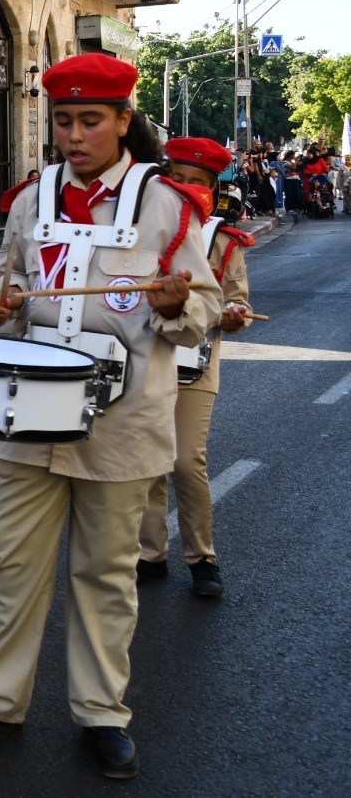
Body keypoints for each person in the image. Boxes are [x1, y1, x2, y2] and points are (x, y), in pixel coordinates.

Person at [0, 54, 221, 780]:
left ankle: (101, 712)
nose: (75, 135)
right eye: (63, 121)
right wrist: (2, 305)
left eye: (91, 120)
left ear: (123, 121)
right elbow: (7, 286)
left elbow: (206, 308)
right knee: (9, 562)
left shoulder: (168, 206)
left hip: (123, 422)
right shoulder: (29, 201)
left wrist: (180, 306)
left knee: (105, 573)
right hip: (27, 417)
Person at [138, 137, 251, 598]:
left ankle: (202, 559)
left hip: (196, 366)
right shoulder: (145, 227)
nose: (186, 189)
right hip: (148, 358)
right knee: (147, 463)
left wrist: (232, 313)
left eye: (198, 183)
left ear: (213, 189)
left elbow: (239, 302)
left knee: (186, 462)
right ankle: (151, 553)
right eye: (177, 179)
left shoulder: (222, 239)